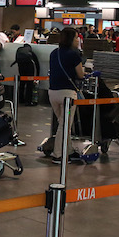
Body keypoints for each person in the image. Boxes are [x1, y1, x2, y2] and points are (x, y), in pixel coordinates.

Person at [48, 28, 86, 163]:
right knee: (65, 125)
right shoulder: (74, 55)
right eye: (76, 38)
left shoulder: (54, 53)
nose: (78, 40)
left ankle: (68, 150)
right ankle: (58, 155)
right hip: (67, 95)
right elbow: (80, 75)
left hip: (52, 93)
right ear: (71, 39)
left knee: (63, 124)